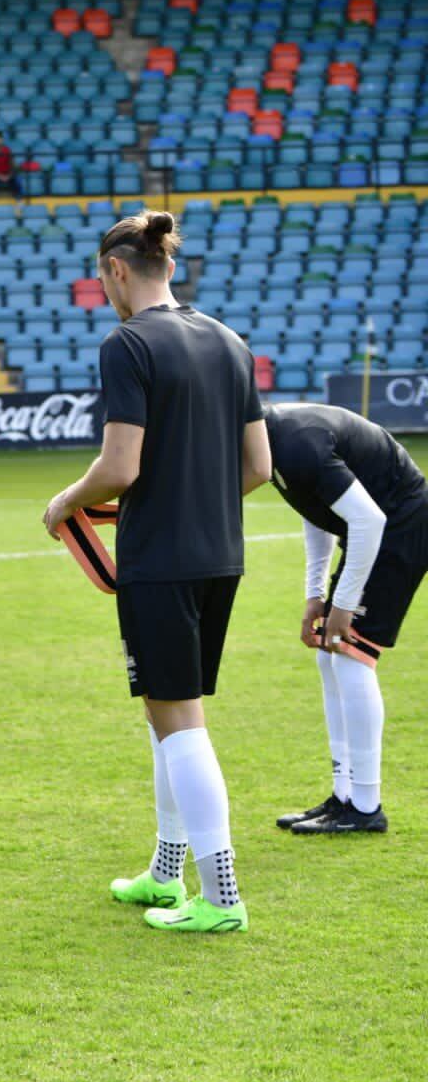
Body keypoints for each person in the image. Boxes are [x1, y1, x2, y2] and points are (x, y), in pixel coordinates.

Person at [42, 210, 270, 933]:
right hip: (219, 556)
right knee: (166, 712)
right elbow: (259, 466)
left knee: (180, 724)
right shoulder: (230, 341)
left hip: (161, 561)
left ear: (116, 270)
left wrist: (66, 501)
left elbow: (119, 467)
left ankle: (223, 894)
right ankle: (168, 873)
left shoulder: (128, 343)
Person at [265, 402, 428, 835]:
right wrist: (315, 594)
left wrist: (343, 603)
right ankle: (344, 797)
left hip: (401, 524)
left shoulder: (293, 442)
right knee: (329, 653)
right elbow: (314, 512)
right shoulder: (268, 445)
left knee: (352, 655)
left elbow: (370, 519)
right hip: (372, 527)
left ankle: (366, 806)